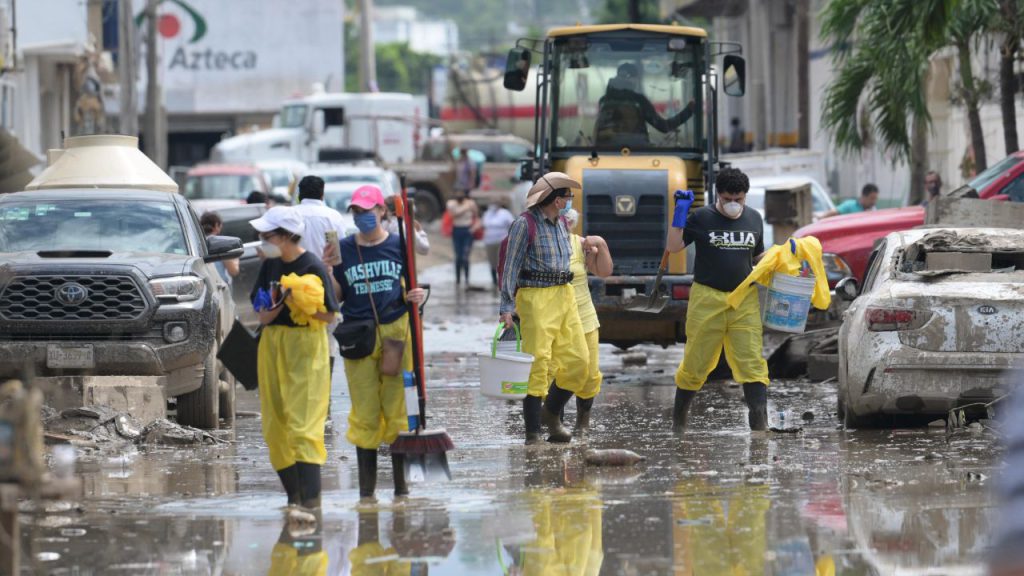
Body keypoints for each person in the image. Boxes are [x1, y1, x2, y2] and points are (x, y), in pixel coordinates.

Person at [324, 184, 427, 500]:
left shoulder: (399, 245)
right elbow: (337, 297)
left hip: (396, 333)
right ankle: (366, 493)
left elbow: (411, 285)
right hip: (359, 336)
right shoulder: (342, 248)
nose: (362, 217)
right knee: (365, 410)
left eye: (367, 211)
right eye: (356, 212)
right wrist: (328, 270)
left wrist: (417, 294)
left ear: (382, 211)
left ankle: (401, 487)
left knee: (396, 405)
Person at [666, 167, 770, 433]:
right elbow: (674, 247)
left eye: (739, 200)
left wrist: (783, 262)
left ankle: (760, 425)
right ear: (718, 195)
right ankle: (679, 421)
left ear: (745, 197)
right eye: (727, 199)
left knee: (752, 360)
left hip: (744, 300)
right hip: (707, 298)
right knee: (696, 361)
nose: (734, 205)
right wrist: (679, 216)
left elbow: (758, 258)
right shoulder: (702, 217)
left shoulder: (754, 219)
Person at [249, 206, 339, 512]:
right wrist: (283, 299)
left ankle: (311, 505)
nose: (262, 240)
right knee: (275, 427)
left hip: (306, 345)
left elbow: (329, 314)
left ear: (286, 236)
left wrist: (303, 303)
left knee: (303, 425)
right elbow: (261, 313)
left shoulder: (311, 266)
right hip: (273, 344)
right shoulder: (270, 267)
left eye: (267, 235)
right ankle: (293, 500)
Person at [499, 172, 590, 445]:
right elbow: (510, 267)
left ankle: (549, 414)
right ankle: (533, 435)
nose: (570, 200)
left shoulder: (562, 222)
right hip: (535, 298)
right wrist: (506, 307)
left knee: (578, 361)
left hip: (565, 295)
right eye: (567, 196)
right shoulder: (524, 225)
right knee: (537, 365)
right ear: (556, 199)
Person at [560, 208, 613, 437]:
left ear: (571, 223)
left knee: (590, 374)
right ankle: (555, 421)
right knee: (555, 371)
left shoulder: (580, 244)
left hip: (584, 318)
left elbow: (604, 271)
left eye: (566, 222)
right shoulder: (540, 245)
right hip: (556, 319)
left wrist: (601, 244)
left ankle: (582, 423)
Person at [594, 62, 697, 147]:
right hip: (638, 153)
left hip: (605, 153)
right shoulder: (638, 101)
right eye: (636, 79)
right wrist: (689, 110)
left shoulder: (604, 100)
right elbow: (664, 126)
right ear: (632, 79)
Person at [292, 175, 350, 260]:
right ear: (322, 195)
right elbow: (342, 248)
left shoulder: (290, 215)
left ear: (299, 194)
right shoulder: (333, 216)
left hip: (293, 270)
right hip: (325, 270)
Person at [446, 189, 480, 287]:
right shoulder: (451, 204)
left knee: (465, 256)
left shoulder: (471, 203)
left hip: (467, 230)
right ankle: (457, 280)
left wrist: (475, 227)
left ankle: (467, 280)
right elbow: (453, 215)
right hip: (457, 230)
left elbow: (477, 217)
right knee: (458, 257)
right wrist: (466, 207)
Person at [482, 198, 516, 287]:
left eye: (495, 203)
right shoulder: (487, 214)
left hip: (502, 241)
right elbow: (483, 225)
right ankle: (494, 281)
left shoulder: (505, 213)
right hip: (489, 241)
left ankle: (503, 281)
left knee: (502, 261)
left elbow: (512, 225)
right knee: (492, 261)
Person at [199, 211, 239, 285]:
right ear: (217, 225)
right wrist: (236, 259)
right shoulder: (221, 244)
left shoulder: (196, 244)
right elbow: (233, 271)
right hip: (221, 287)